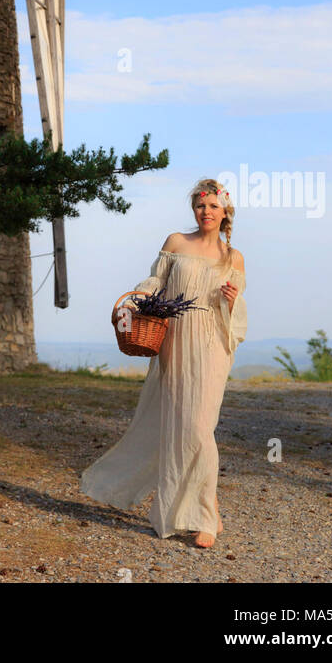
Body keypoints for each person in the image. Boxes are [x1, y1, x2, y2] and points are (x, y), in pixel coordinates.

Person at [80, 179, 247, 548]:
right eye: (201, 206)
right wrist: (138, 298)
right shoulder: (175, 243)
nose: (206, 212)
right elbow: (156, 282)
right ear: (195, 210)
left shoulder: (232, 258)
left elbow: (238, 320)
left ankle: (203, 515)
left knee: (201, 426)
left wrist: (232, 300)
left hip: (211, 343)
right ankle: (209, 509)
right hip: (176, 340)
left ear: (224, 213)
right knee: (178, 425)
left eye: (213, 207)